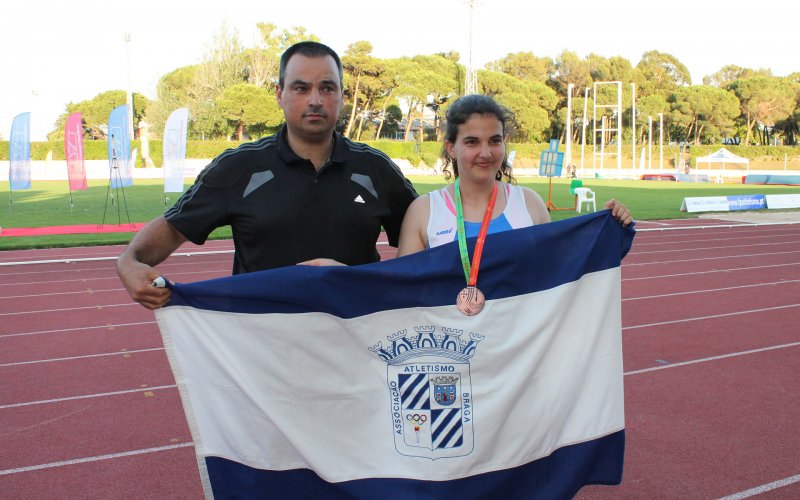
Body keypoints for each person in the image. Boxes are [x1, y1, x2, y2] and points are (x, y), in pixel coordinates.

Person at [117, 41, 418, 309]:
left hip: (354, 340)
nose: (315, 100)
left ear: (342, 95)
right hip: (262, 345)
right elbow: (174, 227)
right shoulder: (239, 167)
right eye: (301, 88)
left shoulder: (376, 169)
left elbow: (429, 238)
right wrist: (129, 261)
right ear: (279, 94)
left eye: (327, 88)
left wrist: (368, 282)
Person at [397, 94, 632, 256]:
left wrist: (610, 230)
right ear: (451, 148)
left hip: (519, 331)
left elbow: (558, 273)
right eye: (472, 142)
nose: (486, 152)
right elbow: (404, 293)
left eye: (495, 141)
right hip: (452, 331)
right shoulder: (424, 211)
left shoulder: (529, 204)